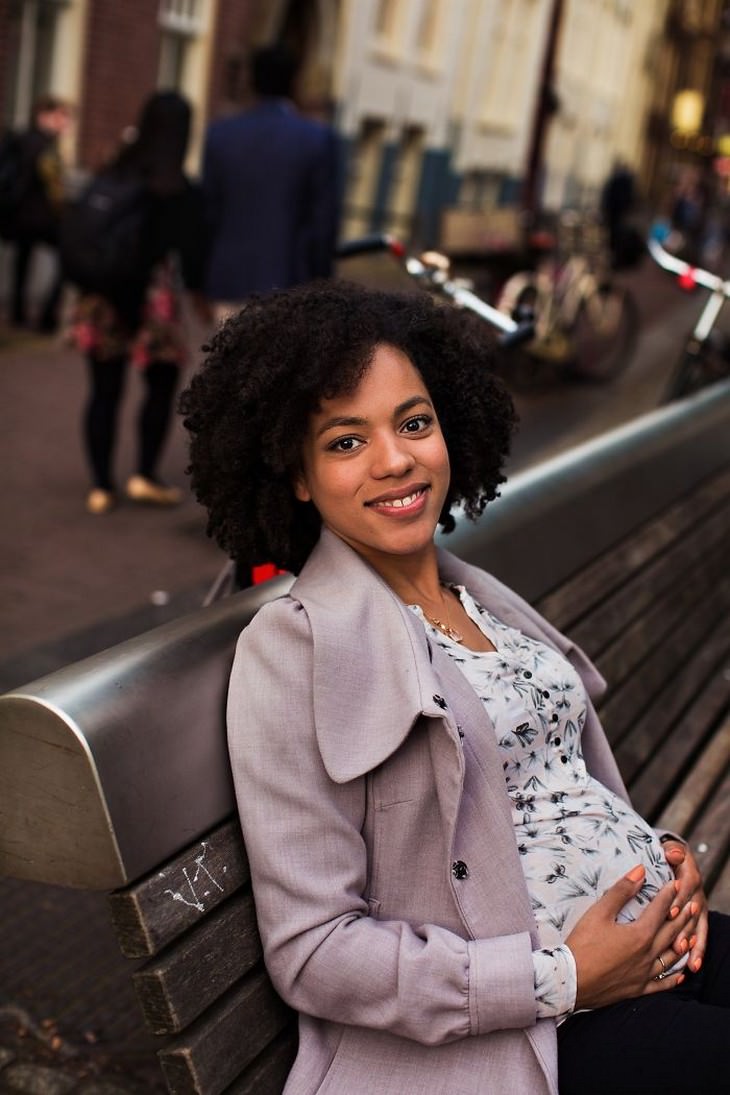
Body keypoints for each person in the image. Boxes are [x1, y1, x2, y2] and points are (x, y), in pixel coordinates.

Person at [180, 280, 729, 1095]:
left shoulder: (479, 595)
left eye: (413, 422)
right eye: (344, 441)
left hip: (649, 947)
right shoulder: (294, 648)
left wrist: (665, 858)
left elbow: (552, 787)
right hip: (526, 1034)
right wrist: (561, 978)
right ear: (295, 474)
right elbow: (314, 949)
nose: (395, 459)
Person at [67, 91, 207, 515]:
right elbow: (193, 255)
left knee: (103, 392)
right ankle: (144, 475)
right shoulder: (178, 189)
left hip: (103, 297)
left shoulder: (115, 170)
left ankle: (100, 486)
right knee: (160, 390)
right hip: (153, 302)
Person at [201, 42, 340, 323]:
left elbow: (207, 215)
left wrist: (202, 280)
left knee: (227, 364)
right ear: (294, 81)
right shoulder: (316, 139)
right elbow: (323, 225)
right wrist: (320, 288)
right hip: (288, 284)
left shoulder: (221, 135)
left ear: (252, 81)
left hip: (228, 281)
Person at [4, 94, 73, 332]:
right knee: (68, 256)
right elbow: (54, 187)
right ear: (44, 116)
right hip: (40, 217)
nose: (66, 123)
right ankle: (47, 316)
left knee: (22, 260)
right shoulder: (46, 147)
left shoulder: (21, 140)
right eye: (61, 117)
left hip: (18, 214)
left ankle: (18, 313)